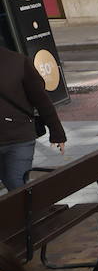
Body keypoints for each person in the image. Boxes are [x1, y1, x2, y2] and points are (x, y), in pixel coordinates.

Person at [0, 46, 66, 192]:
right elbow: (42, 100)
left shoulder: (19, 62)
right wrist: (57, 133)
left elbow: (41, 100)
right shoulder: (19, 61)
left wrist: (57, 132)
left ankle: (24, 206)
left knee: (16, 184)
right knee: (16, 183)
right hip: (21, 135)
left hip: (19, 139)